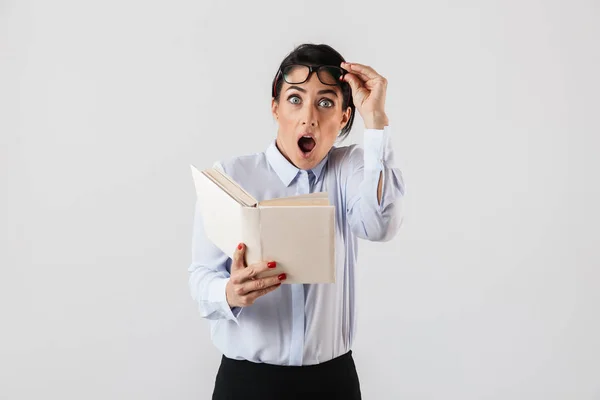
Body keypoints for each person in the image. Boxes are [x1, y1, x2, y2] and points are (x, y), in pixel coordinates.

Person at [188, 43, 405, 399]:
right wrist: (229, 292)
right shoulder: (232, 175)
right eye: (294, 99)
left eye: (325, 102)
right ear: (275, 108)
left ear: (345, 116)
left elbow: (380, 226)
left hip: (332, 383)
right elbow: (200, 277)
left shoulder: (352, 169)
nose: (309, 117)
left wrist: (377, 122)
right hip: (247, 384)